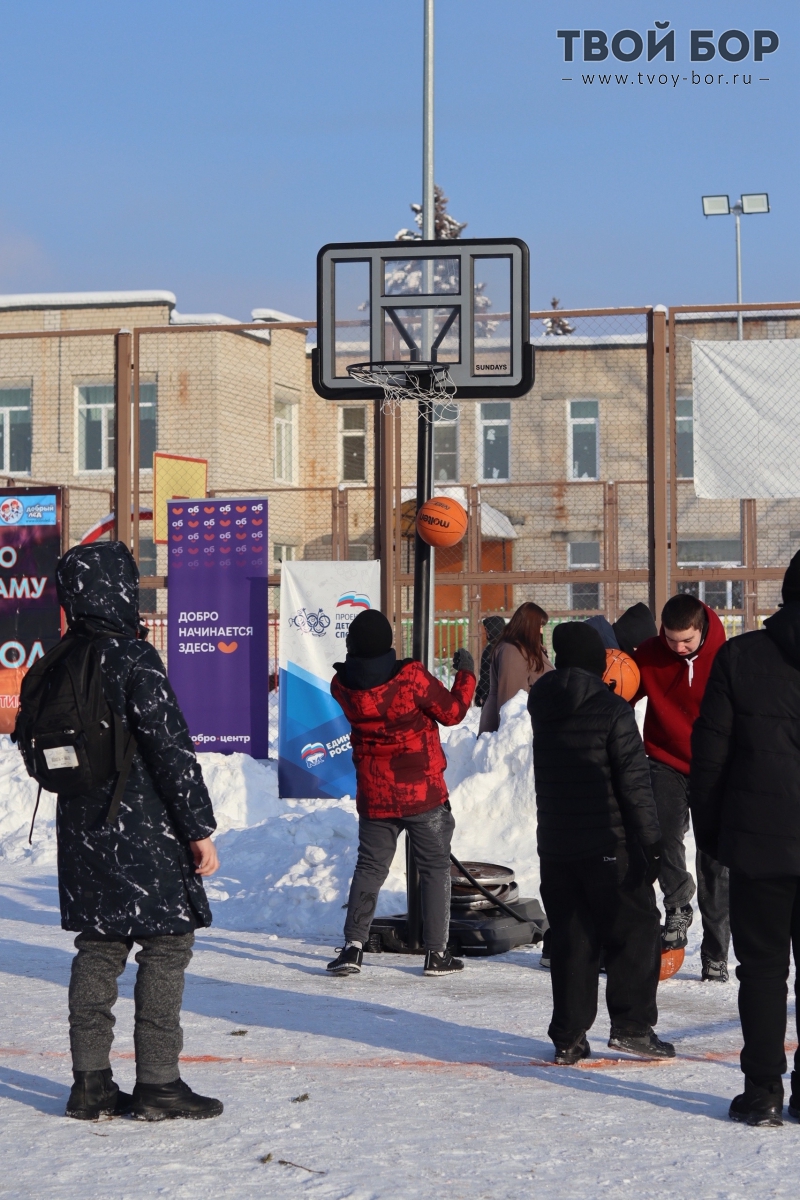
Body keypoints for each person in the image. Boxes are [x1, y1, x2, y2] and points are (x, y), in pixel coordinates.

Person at [52, 543, 222, 1122]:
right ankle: (158, 1083)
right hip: (143, 829)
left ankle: (90, 1085)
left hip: (81, 831)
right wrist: (198, 828)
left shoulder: (60, 658)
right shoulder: (133, 657)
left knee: (98, 948)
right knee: (167, 945)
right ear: (119, 590)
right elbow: (170, 749)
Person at [528, 622, 672, 1063]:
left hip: (557, 845)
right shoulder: (613, 710)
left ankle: (568, 1036)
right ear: (598, 662)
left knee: (573, 938)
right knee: (636, 929)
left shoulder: (543, 705)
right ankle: (632, 1026)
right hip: (610, 844)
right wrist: (651, 842)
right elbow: (635, 785)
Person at [691, 552, 800, 1127]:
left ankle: (762, 1093)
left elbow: (710, 756)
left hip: (760, 845)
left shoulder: (739, 656)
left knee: (761, 970)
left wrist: (711, 833)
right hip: (764, 841)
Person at [326, 609, 476, 977]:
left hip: (375, 793)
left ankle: (353, 947)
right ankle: (436, 953)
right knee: (435, 869)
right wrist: (466, 674)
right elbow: (453, 712)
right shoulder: (410, 678)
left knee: (370, 867)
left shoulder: (341, 686)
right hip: (422, 792)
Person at [632, 593, 730, 980]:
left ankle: (716, 952)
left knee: (714, 861)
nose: (678, 648)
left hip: (714, 766)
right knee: (662, 834)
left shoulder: (725, 657)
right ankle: (677, 906)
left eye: (686, 640)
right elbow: (621, 695)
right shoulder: (649, 654)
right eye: (671, 640)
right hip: (664, 759)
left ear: (701, 629)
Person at [478, 602, 553, 734]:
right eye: (540, 626)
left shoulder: (525, 648)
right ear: (529, 626)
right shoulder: (513, 651)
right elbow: (510, 699)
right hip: (513, 731)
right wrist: (509, 736)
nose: (541, 631)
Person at [474, 615, 506, 708]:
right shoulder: (509, 646)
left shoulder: (491, 650)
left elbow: (486, 674)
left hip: (491, 696)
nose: (486, 633)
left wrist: (482, 692)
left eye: (487, 630)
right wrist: (480, 689)